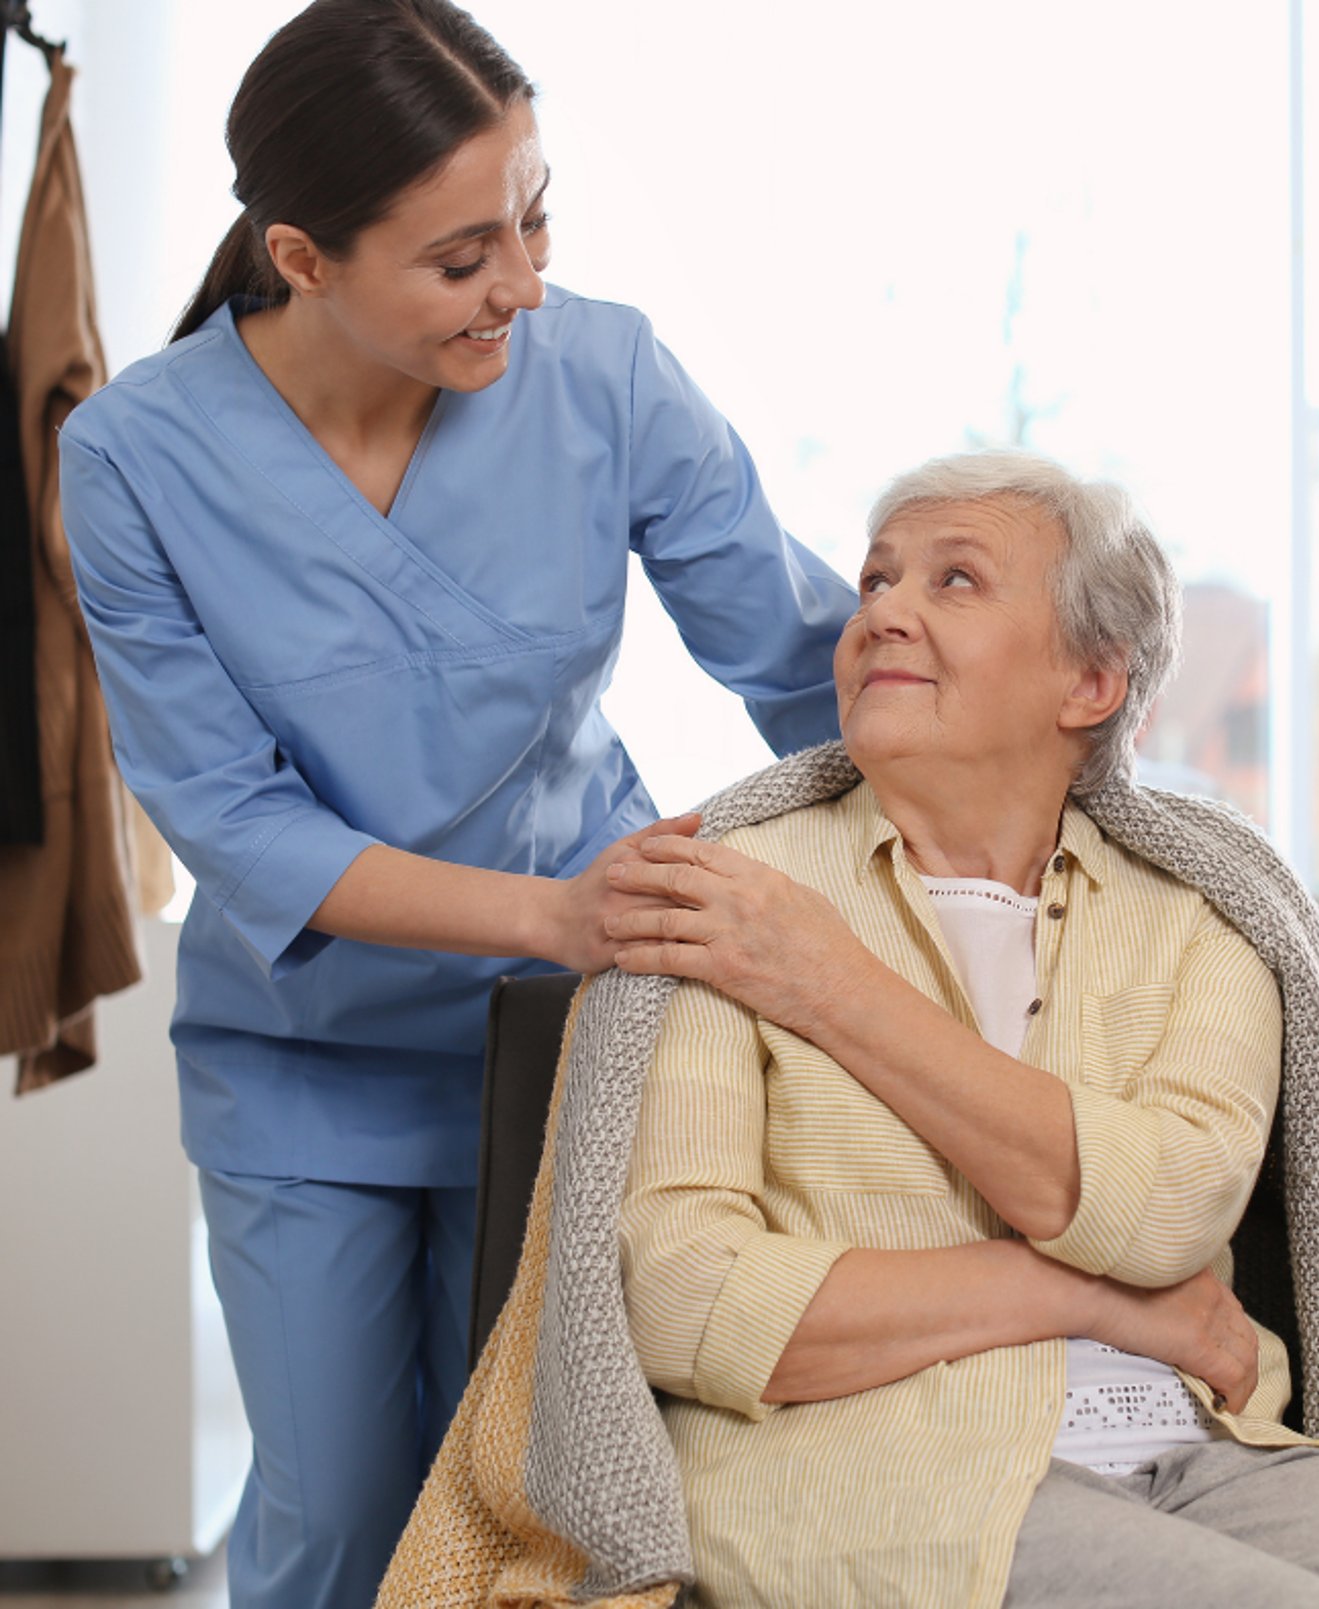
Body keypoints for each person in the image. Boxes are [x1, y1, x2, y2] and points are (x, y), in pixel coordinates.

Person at [56, 3, 852, 1604]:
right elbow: (228, 812)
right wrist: (555, 914)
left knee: (542, 1515)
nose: (526, 286)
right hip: (309, 1067)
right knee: (346, 1519)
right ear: (302, 256)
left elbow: (794, 652)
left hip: (573, 1047)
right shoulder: (135, 455)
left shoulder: (604, 375)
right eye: (465, 255)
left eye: (538, 216)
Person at [590, 453, 1319, 1607]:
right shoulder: (735, 896)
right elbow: (683, 1297)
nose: (882, 610)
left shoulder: (1208, 909)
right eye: (877, 579)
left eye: (954, 580)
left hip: (1206, 1449)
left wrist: (831, 982)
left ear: (1090, 681)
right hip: (879, 1464)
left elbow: (1170, 1210)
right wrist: (1092, 1299)